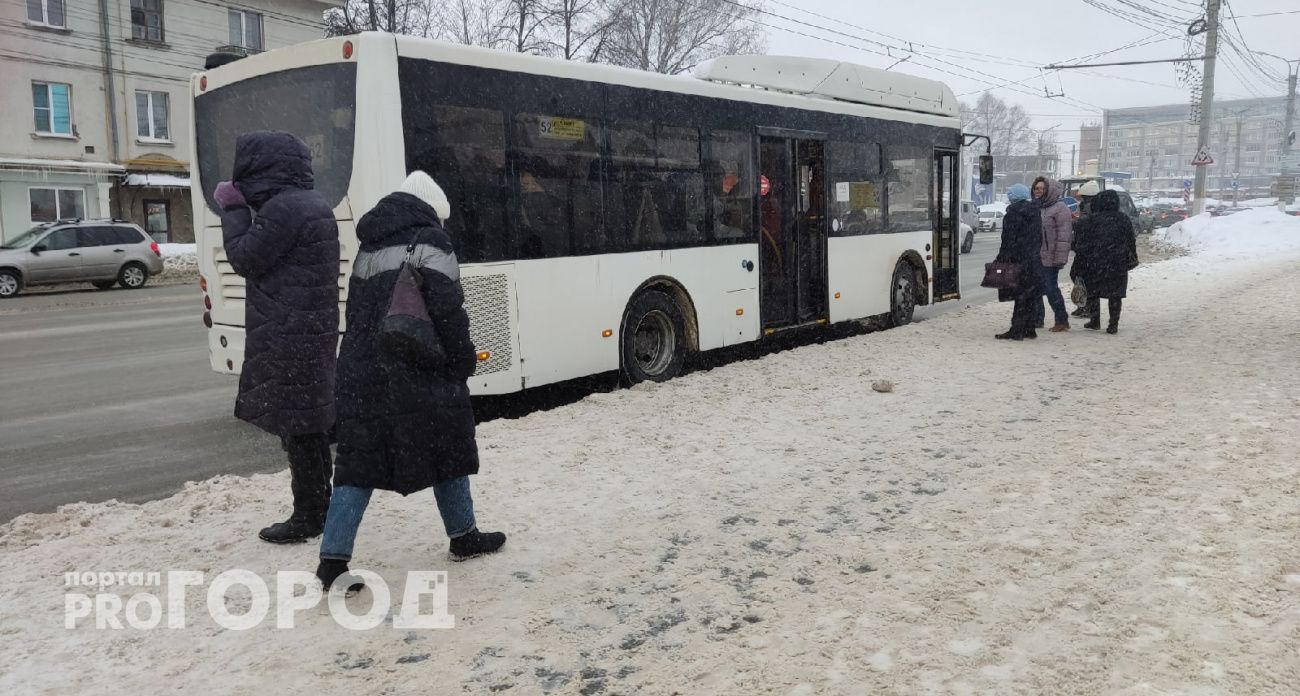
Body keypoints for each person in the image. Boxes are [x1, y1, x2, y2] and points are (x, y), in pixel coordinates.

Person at [316, 171, 506, 591]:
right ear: (432, 211)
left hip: (364, 365)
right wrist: (462, 361)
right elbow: (448, 311)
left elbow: (360, 313)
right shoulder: (432, 242)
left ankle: (332, 561)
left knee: (357, 463)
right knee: (448, 442)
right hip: (418, 364)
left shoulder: (369, 242)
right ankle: (464, 536)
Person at [213, 131, 340, 544]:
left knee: (299, 426)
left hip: (290, 333)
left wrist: (233, 210)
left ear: (258, 168)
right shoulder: (313, 203)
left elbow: (245, 257)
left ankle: (308, 515)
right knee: (311, 424)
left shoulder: (285, 208)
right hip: (308, 329)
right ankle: (322, 504)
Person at [1072, 189, 1137, 334]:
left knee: (1093, 292)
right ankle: (1113, 324)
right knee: (1116, 294)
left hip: (1095, 262)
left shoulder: (1092, 220)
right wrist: (1132, 256)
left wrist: (1081, 257)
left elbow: (1082, 242)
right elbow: (1131, 240)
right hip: (1117, 262)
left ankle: (1095, 321)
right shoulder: (1123, 219)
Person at [993, 184, 1044, 340]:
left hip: (1018, 261)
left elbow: (1008, 242)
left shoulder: (1012, 214)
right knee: (1029, 295)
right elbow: (1038, 238)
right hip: (1033, 260)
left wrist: (1001, 259)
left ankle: (1017, 330)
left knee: (1020, 296)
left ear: (1013, 197)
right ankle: (1029, 328)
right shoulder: (1035, 213)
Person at [1031, 177, 1074, 332]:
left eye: (1041, 188)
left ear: (1048, 190)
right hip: (1035, 256)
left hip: (1051, 257)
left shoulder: (1060, 208)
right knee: (1035, 289)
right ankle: (1037, 319)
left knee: (1050, 289)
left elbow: (1064, 236)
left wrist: (1059, 258)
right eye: (1036, 188)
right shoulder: (1036, 207)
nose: (1038, 191)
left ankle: (1062, 320)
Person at [1069, 180, 1101, 318]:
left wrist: (1072, 221)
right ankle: (1084, 305)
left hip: (1085, 249)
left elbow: (1084, 224)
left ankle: (1085, 306)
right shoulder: (1090, 205)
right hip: (1087, 248)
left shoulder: (1089, 207)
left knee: (1079, 277)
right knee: (1080, 277)